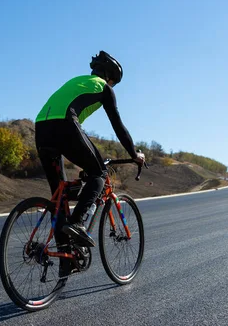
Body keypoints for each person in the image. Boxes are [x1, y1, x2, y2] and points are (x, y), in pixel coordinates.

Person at [35, 50, 145, 253]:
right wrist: (134, 154)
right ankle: (77, 223)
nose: (112, 87)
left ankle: (64, 256)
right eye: (113, 83)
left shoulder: (78, 80)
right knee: (99, 173)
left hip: (41, 128)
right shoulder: (103, 87)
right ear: (110, 77)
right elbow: (118, 126)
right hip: (64, 124)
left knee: (58, 199)